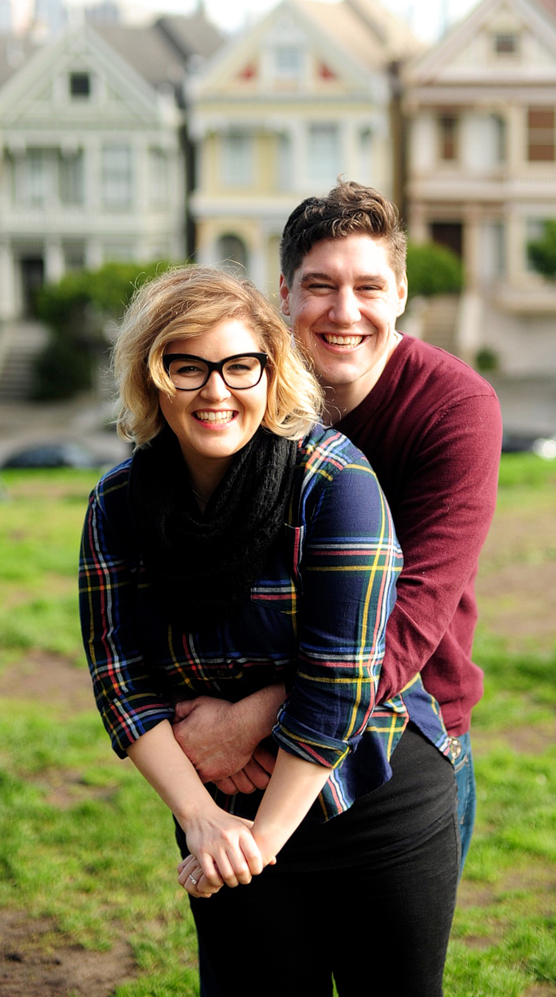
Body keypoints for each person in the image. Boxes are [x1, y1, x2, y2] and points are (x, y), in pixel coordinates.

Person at [79, 265, 462, 997]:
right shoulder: (118, 504)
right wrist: (201, 819)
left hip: (375, 796)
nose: (215, 390)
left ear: (271, 370)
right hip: (220, 813)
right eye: (186, 365)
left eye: (239, 365)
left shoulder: (334, 479)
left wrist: (259, 842)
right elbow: (120, 679)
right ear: (151, 377)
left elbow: (340, 680)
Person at [173, 183, 502, 873]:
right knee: (261, 983)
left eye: (369, 287)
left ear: (402, 292)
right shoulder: (247, 400)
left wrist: (253, 717)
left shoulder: (456, 408)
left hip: (408, 734)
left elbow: (411, 617)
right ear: (286, 292)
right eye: (321, 285)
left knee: (391, 983)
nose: (345, 311)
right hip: (252, 768)